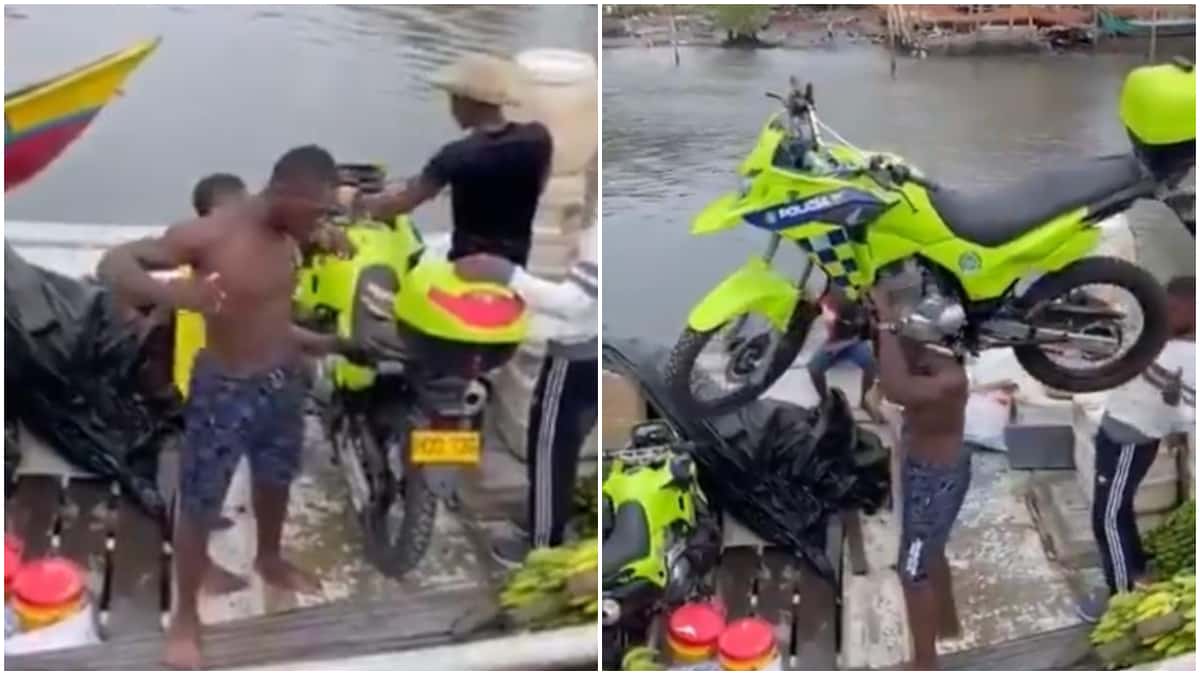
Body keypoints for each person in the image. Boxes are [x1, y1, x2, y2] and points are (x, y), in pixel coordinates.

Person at [97, 145, 358, 669]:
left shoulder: (293, 232)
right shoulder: (212, 235)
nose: (321, 222)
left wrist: (333, 344)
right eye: (317, 211)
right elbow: (114, 264)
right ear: (287, 194)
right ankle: (185, 618)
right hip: (226, 389)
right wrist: (174, 296)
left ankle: (269, 558)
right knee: (200, 502)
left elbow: (271, 314)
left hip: (284, 380)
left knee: (276, 478)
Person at [452, 223, 597, 566]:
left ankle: (543, 546)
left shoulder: (599, 235)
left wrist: (506, 274)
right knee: (559, 448)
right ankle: (545, 520)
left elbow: (576, 304)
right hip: (588, 351)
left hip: (575, 360)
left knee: (550, 452)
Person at [335, 52, 552, 266]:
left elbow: (400, 203)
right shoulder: (537, 138)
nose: (451, 107)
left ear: (466, 101)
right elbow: (536, 186)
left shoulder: (457, 155)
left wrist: (354, 201)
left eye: (453, 98)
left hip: (467, 267)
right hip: (515, 261)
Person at [1077, 276, 1195, 622]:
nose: (1165, 315)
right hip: (1116, 430)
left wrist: (1176, 407)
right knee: (1118, 510)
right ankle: (1136, 568)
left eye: (1174, 309)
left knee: (1107, 518)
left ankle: (1122, 595)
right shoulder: (1160, 337)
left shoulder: (1191, 357)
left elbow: (1190, 413)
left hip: (1130, 442)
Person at [869, 285, 970, 670]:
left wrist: (885, 324)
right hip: (927, 472)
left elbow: (898, 389)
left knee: (913, 570)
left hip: (935, 482)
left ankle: (925, 664)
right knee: (932, 551)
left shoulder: (950, 378)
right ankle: (946, 625)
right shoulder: (931, 356)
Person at [807, 290, 882, 420]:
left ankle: (865, 401)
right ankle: (825, 400)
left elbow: (867, 331)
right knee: (814, 369)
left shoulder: (862, 301)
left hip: (853, 342)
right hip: (833, 342)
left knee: (871, 365)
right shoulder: (828, 298)